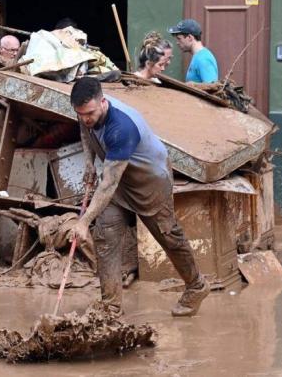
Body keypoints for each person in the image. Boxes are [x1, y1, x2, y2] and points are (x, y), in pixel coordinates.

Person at [69, 77, 209, 316]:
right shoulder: (86, 113)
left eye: (89, 113)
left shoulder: (121, 127)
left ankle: (197, 286)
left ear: (103, 102)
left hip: (149, 182)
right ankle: (111, 307)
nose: (85, 118)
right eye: (80, 114)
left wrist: (83, 221)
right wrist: (89, 163)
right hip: (120, 182)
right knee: (105, 237)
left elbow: (107, 185)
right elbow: (85, 131)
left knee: (169, 237)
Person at [168, 19, 218, 84]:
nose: (177, 42)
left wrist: (191, 85)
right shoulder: (198, 56)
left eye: (179, 38)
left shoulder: (203, 59)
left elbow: (212, 87)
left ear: (190, 37)